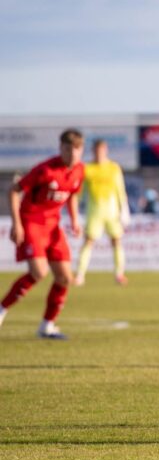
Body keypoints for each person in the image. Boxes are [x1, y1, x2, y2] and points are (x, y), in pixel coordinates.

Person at [0, 129, 85, 339]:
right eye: (68, 149)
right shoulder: (45, 170)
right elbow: (14, 190)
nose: (72, 153)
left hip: (53, 225)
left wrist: (74, 219)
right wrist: (16, 224)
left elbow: (72, 195)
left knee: (65, 277)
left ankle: (47, 326)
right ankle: (1, 309)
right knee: (39, 272)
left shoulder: (80, 170)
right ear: (61, 148)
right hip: (32, 221)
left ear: (81, 150)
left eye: (76, 149)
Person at [74, 139, 131, 286]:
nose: (99, 153)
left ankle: (119, 274)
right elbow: (79, 192)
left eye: (102, 150)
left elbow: (120, 190)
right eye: (96, 150)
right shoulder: (87, 168)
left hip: (112, 212)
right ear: (93, 151)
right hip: (94, 212)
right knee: (88, 241)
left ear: (105, 151)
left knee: (116, 240)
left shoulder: (113, 168)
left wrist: (124, 210)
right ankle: (80, 275)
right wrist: (74, 210)